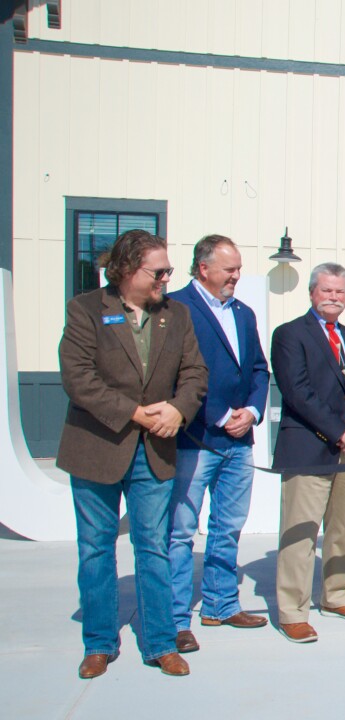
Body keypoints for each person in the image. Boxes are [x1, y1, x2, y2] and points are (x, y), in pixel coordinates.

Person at [58, 229, 207, 678]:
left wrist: (179, 412)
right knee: (96, 549)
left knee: (154, 548)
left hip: (155, 451)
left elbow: (195, 374)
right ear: (125, 270)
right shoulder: (85, 309)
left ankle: (161, 643)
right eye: (157, 271)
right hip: (97, 448)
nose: (166, 278)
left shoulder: (176, 315)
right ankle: (100, 643)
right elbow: (78, 378)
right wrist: (139, 414)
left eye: (168, 270)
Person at [165, 235, 271, 654]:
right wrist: (221, 415)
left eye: (239, 268)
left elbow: (259, 369)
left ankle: (221, 604)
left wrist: (252, 412)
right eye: (229, 269)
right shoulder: (176, 309)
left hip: (239, 443)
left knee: (227, 528)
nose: (236, 276)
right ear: (203, 268)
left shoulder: (242, 313)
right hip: (195, 440)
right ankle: (174, 619)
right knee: (181, 533)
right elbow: (173, 374)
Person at [271, 263, 345, 643]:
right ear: (312, 293)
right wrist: (340, 433)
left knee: (340, 530)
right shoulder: (289, 335)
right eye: (327, 291)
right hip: (308, 448)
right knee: (300, 534)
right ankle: (292, 610)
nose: (334, 298)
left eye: (340, 292)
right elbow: (297, 392)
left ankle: (336, 595)